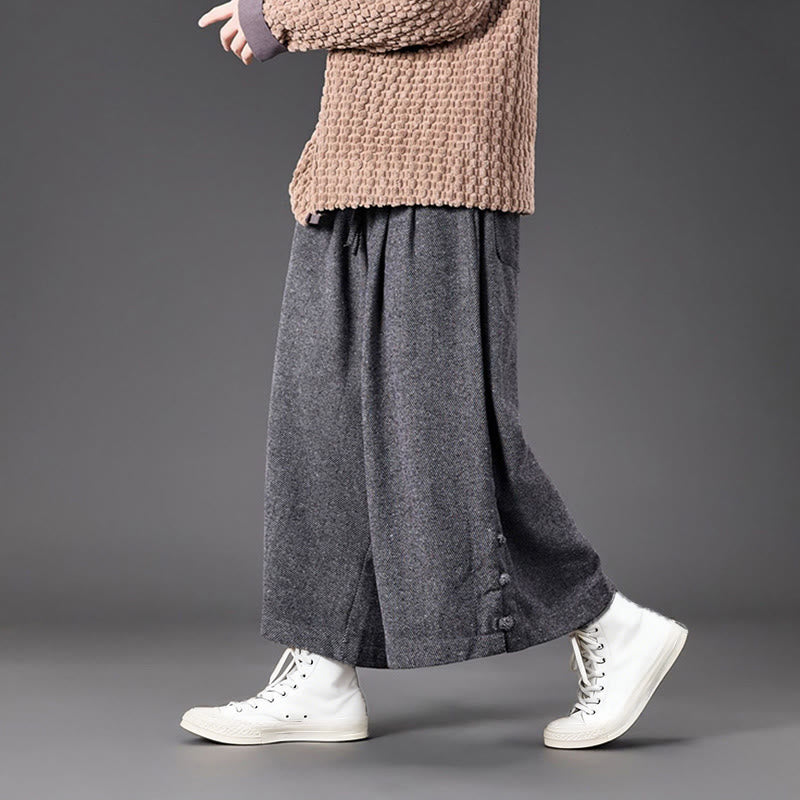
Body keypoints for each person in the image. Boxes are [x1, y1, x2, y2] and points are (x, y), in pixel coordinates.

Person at [182, 0, 687, 750]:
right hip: (349, 168)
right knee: (318, 419)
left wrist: (282, 14)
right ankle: (321, 668)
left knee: (439, 439)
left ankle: (610, 624)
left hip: (443, 171)